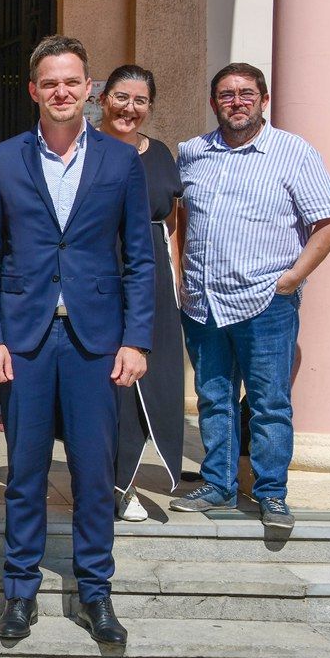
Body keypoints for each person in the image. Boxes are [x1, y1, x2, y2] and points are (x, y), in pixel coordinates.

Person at [0, 36, 154, 645]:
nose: (61, 92)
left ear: (88, 89)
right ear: (33, 90)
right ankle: (19, 589)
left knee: (93, 474)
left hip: (95, 340)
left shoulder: (119, 162)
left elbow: (139, 260)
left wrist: (137, 340)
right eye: (49, 83)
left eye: (72, 82)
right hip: (24, 340)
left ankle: (95, 592)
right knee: (25, 472)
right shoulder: (2, 160)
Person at [169, 63, 330, 530]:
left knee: (269, 403)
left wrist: (291, 280)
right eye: (226, 94)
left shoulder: (293, 152)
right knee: (213, 396)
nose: (236, 101)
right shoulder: (192, 153)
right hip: (203, 301)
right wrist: (182, 274)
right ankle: (219, 484)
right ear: (214, 104)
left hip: (266, 301)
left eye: (247, 93)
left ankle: (271, 493)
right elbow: (181, 217)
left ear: (264, 100)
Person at [95, 65, 185, 521]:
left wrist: (178, 277)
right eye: (121, 97)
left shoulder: (163, 155)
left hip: (151, 276)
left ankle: (125, 478)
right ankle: (115, 485)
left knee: (153, 378)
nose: (130, 108)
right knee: (112, 383)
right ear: (102, 98)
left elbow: (172, 221)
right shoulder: (82, 146)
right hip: (100, 273)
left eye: (141, 100)